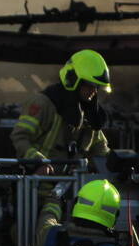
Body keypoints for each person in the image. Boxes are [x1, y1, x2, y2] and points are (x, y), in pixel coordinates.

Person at [10, 49, 111, 179]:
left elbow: (101, 151)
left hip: (71, 189)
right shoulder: (43, 104)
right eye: (89, 85)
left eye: (97, 87)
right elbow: (20, 138)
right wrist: (38, 162)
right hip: (36, 188)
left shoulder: (89, 115)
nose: (94, 91)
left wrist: (121, 163)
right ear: (73, 79)